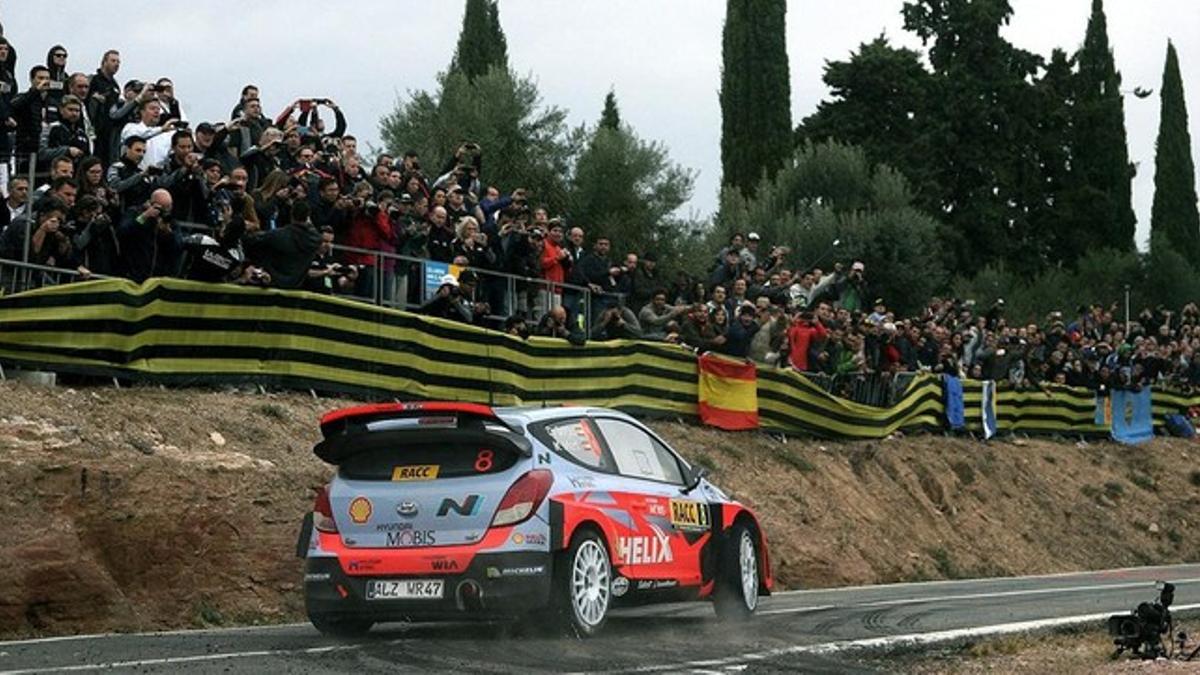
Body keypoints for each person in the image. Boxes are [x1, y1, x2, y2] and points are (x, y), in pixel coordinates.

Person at [241, 200, 322, 289]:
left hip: (272, 283)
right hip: (297, 286)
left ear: (291, 215)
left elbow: (250, 241)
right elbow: (314, 232)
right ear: (308, 217)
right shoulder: (315, 240)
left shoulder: (278, 235)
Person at [117, 188, 182, 282]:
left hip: (158, 278)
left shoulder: (170, 222)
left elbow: (178, 246)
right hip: (133, 274)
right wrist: (144, 217)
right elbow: (122, 232)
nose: (165, 211)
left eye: (168, 207)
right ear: (151, 204)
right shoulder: (134, 212)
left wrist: (168, 233)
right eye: (162, 208)